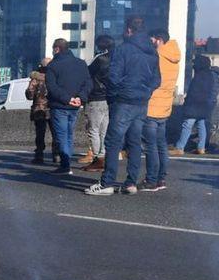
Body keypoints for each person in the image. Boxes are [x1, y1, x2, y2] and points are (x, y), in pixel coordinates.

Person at [86, 15, 160, 196]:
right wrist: (146, 91)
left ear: (128, 29)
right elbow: (157, 80)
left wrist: (114, 96)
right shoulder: (152, 51)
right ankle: (130, 183)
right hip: (142, 102)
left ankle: (107, 183)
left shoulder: (123, 49)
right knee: (134, 142)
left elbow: (113, 77)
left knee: (113, 142)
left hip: (123, 100)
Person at [140, 29, 181, 192]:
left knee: (151, 146)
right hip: (165, 106)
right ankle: (161, 178)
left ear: (158, 40)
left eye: (151, 40)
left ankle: (151, 180)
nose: (150, 43)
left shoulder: (157, 56)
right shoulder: (173, 57)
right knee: (161, 144)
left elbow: (148, 79)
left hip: (152, 105)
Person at [45, 38, 92, 175]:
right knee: (69, 135)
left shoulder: (53, 66)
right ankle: (67, 163)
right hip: (75, 106)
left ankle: (65, 166)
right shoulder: (81, 63)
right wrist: (80, 98)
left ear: (57, 49)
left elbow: (52, 87)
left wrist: (67, 99)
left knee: (61, 136)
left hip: (60, 105)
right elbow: (88, 83)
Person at [172, 55, 219, 156]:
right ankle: (201, 148)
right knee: (201, 125)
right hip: (205, 106)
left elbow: (193, 93)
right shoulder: (210, 75)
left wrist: (187, 104)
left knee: (187, 125)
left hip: (195, 106)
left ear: (200, 64)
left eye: (195, 63)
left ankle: (179, 148)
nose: (193, 65)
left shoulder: (200, 75)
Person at [80, 35, 114, 171]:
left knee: (93, 129)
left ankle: (97, 158)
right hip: (108, 98)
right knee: (104, 130)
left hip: (95, 97)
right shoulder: (116, 58)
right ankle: (103, 155)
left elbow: (87, 73)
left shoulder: (99, 59)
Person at [26, 64, 51, 164]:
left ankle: (39, 155)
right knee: (56, 133)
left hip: (38, 109)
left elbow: (30, 95)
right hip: (52, 108)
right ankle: (57, 154)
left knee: (40, 133)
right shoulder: (54, 76)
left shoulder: (35, 79)